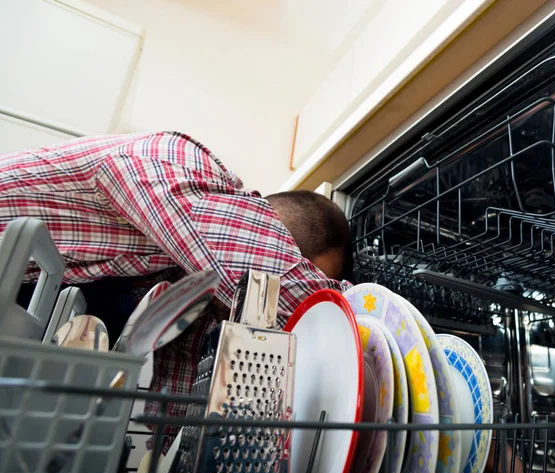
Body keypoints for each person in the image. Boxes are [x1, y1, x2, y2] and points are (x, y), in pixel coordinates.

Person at [0, 131, 353, 436]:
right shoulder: (177, 162)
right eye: (291, 261)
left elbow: (176, 384)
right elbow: (309, 308)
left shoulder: (193, 280)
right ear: (264, 230)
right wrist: (367, 319)